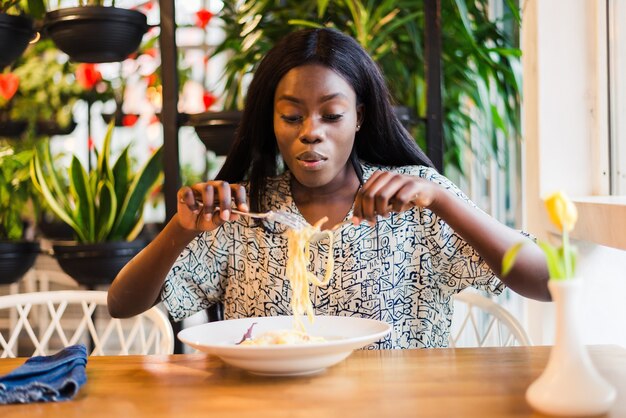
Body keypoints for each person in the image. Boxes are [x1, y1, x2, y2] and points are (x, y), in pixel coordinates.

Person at [108, 28, 550, 349]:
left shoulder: (417, 200)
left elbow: (548, 282)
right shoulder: (244, 210)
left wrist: (443, 200)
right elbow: (122, 303)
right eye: (292, 116)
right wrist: (181, 230)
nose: (311, 133)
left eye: (331, 115)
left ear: (360, 116)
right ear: (272, 122)